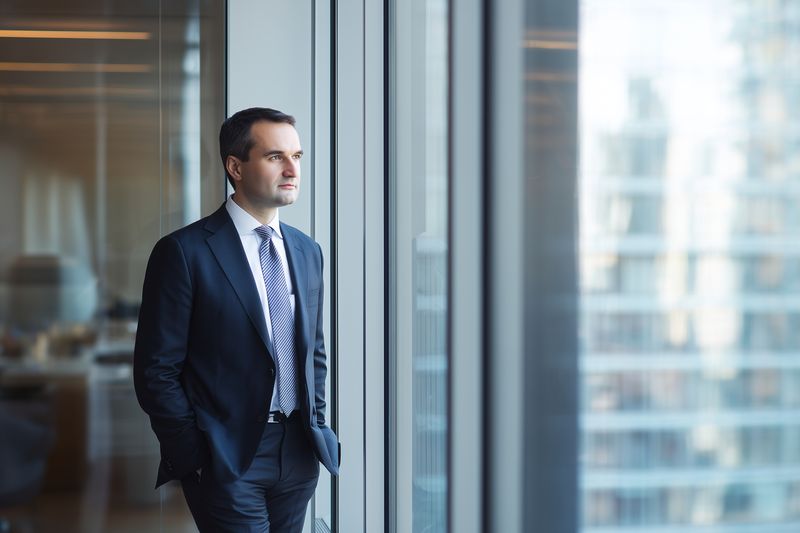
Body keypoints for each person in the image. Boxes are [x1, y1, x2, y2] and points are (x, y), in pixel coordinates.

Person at [134, 107, 339, 532]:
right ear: (235, 167)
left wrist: (317, 422)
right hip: (226, 457)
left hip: (298, 453)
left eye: (297, 157)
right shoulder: (184, 253)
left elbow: (312, 351)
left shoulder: (307, 251)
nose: (291, 169)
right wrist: (194, 451)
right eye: (274, 157)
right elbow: (156, 371)